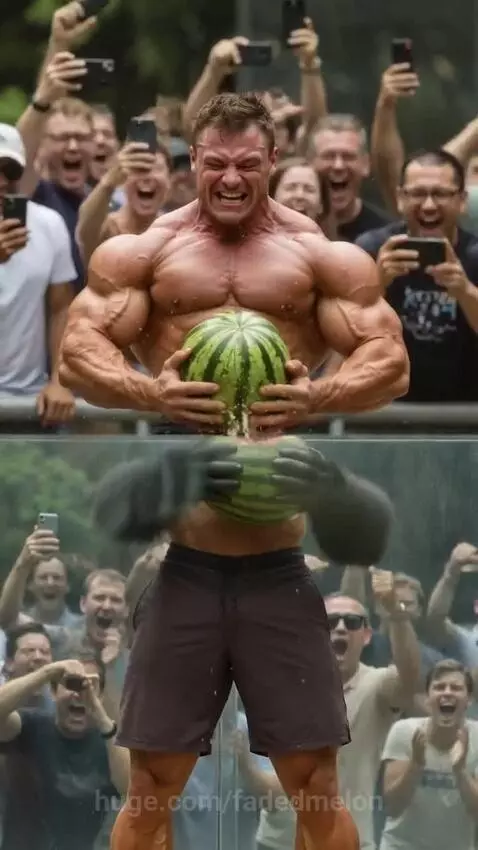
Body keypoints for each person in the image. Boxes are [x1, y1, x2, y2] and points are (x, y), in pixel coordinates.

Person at [59, 93, 410, 850]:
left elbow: (392, 363)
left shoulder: (316, 254)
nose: (228, 178)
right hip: (184, 559)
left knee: (315, 783)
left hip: (277, 563)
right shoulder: (146, 251)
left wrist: (319, 395)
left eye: (247, 164)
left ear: (273, 161)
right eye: (214, 163)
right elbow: (78, 351)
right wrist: (149, 390)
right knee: (152, 783)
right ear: (193, 160)